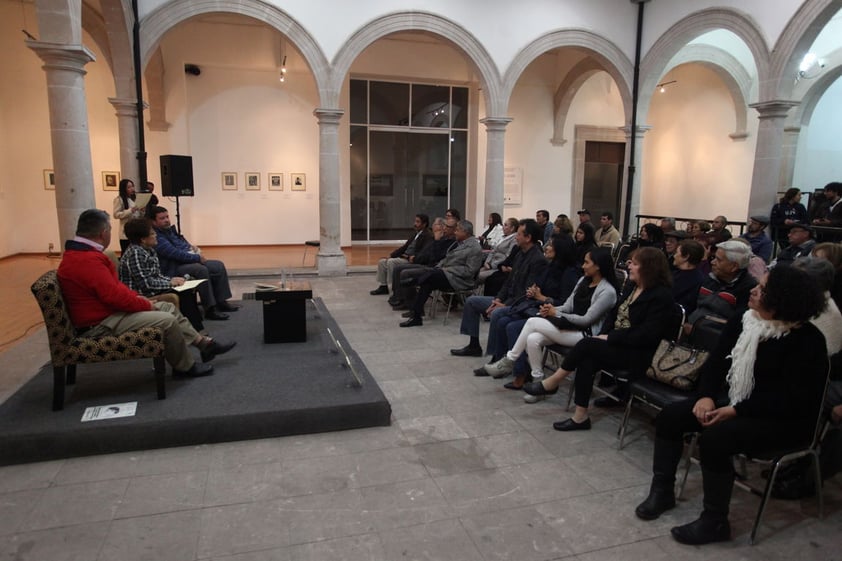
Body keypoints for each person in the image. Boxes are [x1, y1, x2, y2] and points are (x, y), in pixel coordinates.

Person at [634, 266, 827, 546]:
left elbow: (791, 399)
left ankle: (715, 521)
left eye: (762, 290)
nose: (753, 291)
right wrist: (706, 396)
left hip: (785, 420)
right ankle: (662, 491)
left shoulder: (807, 340)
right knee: (672, 416)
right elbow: (715, 364)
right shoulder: (744, 320)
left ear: (783, 300)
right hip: (738, 401)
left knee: (716, 438)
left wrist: (735, 411)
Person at [57, 209, 235, 378]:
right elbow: (114, 296)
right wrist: (144, 303)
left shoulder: (80, 255)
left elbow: (114, 289)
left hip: (106, 313)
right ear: (103, 233)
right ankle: (185, 367)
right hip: (100, 322)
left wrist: (137, 298)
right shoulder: (88, 260)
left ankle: (204, 344)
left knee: (166, 306)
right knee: (167, 320)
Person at [522, 247, 676, 427]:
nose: (629, 267)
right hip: (619, 344)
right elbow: (614, 315)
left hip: (639, 352)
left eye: (634, 264)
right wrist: (606, 333)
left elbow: (646, 335)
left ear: (649, 268)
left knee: (586, 344)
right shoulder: (632, 287)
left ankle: (553, 382)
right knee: (587, 360)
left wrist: (610, 338)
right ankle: (580, 417)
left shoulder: (661, 296)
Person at [478, 248, 617, 388]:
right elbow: (568, 306)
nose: (583, 266)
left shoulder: (607, 291)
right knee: (533, 339)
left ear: (598, 266)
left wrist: (555, 313)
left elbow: (587, 320)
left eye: (587, 262)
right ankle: (538, 382)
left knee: (532, 322)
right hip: (569, 326)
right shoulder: (584, 280)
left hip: (586, 335)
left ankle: (509, 360)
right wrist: (552, 309)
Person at [478, 233, 580, 365]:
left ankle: (518, 371)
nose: (547, 247)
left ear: (560, 250)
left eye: (550, 245)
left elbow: (566, 304)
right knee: (501, 318)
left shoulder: (569, 273)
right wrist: (532, 292)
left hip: (550, 315)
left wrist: (541, 297)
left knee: (511, 325)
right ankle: (498, 358)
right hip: (534, 306)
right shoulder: (549, 266)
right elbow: (529, 285)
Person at [451, 219, 546, 355]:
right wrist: (498, 299)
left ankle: (495, 356)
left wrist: (504, 304)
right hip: (507, 300)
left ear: (528, 237)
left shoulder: (538, 260)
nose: (516, 237)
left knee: (497, 313)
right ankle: (474, 346)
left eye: (519, 234)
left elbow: (527, 292)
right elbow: (508, 282)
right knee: (472, 302)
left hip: (520, 304)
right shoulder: (520, 254)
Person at [151, 206, 239, 320]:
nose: (166, 220)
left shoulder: (170, 231)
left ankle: (221, 302)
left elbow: (182, 245)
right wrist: (196, 257)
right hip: (173, 267)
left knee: (218, 265)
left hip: (186, 261)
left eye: (167, 217)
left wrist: (191, 248)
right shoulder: (157, 237)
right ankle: (209, 308)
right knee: (200, 269)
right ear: (153, 222)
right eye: (162, 218)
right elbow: (175, 254)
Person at [118, 218, 203, 331]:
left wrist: (173, 279)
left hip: (151, 288)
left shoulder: (149, 250)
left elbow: (157, 275)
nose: (156, 236)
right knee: (184, 292)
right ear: (143, 239)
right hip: (142, 293)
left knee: (186, 285)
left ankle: (194, 329)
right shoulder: (136, 253)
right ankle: (196, 331)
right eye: (153, 233)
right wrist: (170, 283)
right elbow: (146, 284)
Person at [399, 220, 482, 327]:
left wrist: (448, 270)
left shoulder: (474, 248)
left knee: (431, 276)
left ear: (465, 232)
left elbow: (470, 271)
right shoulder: (459, 244)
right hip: (447, 275)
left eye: (457, 230)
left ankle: (415, 282)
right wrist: (439, 268)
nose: (455, 233)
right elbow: (446, 259)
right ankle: (416, 316)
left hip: (460, 280)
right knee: (428, 282)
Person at [390, 217, 457, 310]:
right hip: (426, 263)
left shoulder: (451, 242)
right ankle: (400, 298)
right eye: (444, 226)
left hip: (434, 267)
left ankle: (411, 304)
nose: (444, 228)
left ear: (454, 229)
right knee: (398, 268)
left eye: (447, 227)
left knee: (406, 273)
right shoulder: (441, 238)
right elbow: (426, 252)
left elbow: (435, 257)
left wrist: (436, 241)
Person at [687, 239, 756, 326]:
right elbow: (690, 305)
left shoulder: (749, 288)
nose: (712, 262)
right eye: (714, 258)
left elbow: (736, 325)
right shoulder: (710, 278)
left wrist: (697, 331)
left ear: (734, 266)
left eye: (719, 260)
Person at [370, 214, 432, 295]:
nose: (415, 224)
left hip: (412, 260)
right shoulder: (416, 234)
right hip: (404, 257)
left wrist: (409, 257)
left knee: (391, 262)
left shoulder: (427, 236)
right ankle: (383, 286)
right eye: (415, 221)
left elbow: (423, 252)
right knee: (382, 262)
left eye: (418, 222)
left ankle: (394, 288)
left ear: (424, 224)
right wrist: (391, 255)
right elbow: (404, 247)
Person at [477, 217, 519, 284]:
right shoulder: (503, 237)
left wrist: (492, 265)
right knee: (475, 273)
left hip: (498, 266)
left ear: (512, 228)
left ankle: (477, 292)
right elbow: (493, 251)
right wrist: (487, 262)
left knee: (479, 276)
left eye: (505, 225)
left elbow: (507, 256)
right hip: (490, 263)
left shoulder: (514, 239)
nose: (503, 227)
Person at [672, 239, 706, 315]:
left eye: (677, 253)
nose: (674, 256)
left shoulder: (697, 281)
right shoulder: (675, 273)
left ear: (686, 257)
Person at [113, 179, 144, 252]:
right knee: (126, 251)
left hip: (136, 230)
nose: (132, 189)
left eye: (132, 186)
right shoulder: (119, 199)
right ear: (124, 189)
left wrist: (142, 211)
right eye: (129, 187)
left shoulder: (135, 199)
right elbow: (116, 215)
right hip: (125, 232)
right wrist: (130, 210)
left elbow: (139, 216)